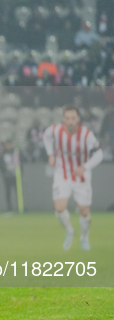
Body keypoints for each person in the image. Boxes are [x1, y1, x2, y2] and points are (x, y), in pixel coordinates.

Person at [42, 105, 104, 251]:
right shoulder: (56, 130)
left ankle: (84, 237)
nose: (70, 121)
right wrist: (51, 154)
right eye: (67, 118)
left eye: (73, 118)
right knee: (59, 207)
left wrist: (85, 167)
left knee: (84, 211)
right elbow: (45, 135)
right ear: (63, 119)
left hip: (80, 177)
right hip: (62, 174)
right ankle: (70, 231)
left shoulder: (86, 135)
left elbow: (99, 154)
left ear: (78, 119)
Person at [0, 140, 18, 212]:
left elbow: (22, 159)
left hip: (16, 175)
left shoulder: (15, 152)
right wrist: (5, 169)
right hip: (7, 176)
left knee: (18, 192)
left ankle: (20, 206)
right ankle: (9, 207)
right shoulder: (2, 153)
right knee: (8, 192)